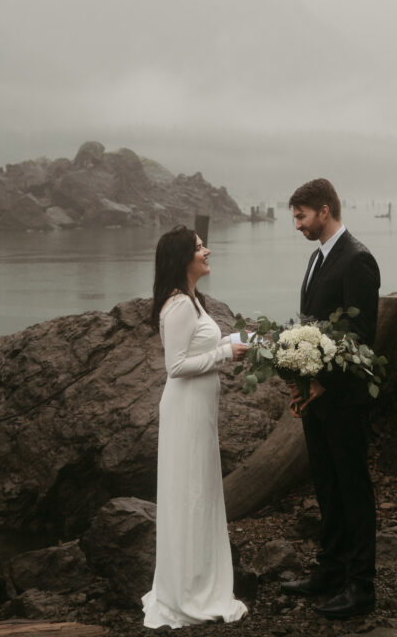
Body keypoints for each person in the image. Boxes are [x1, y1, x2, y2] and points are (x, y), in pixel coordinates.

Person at [281, 178, 380, 620]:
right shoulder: (316, 259)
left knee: (352, 488)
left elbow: (361, 337)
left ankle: (361, 587)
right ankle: (331, 569)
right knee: (326, 484)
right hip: (316, 398)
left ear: (324, 210)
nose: (298, 225)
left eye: (302, 216)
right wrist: (301, 380)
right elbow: (311, 326)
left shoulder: (358, 260)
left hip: (344, 399)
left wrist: (325, 382)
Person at [142, 225, 249, 629]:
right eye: (200, 247)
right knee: (190, 494)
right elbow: (177, 367)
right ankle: (187, 589)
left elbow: (200, 348)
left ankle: (198, 577)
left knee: (199, 491)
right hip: (185, 411)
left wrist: (242, 339)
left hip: (198, 412)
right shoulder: (179, 305)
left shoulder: (192, 299)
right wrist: (225, 353)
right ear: (182, 258)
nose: (208, 251)